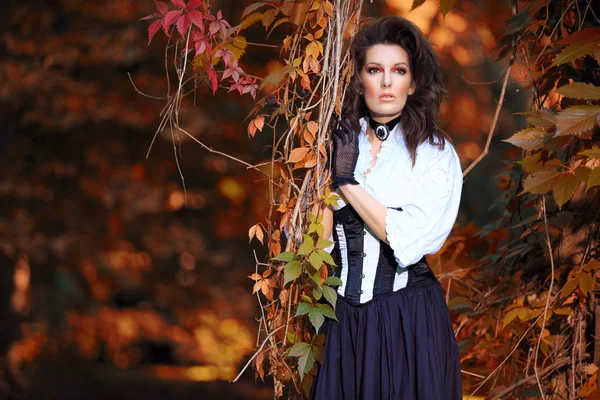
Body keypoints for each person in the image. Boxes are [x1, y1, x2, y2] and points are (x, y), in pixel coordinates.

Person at [310, 16, 463, 399]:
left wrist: (345, 182)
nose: (386, 81)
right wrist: (323, 173)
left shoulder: (434, 154)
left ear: (412, 83)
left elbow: (407, 240)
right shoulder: (339, 142)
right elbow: (315, 247)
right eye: (374, 70)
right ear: (360, 79)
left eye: (399, 71)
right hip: (344, 321)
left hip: (408, 321)